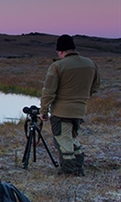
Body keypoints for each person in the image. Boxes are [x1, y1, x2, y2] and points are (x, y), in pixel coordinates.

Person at [39, 34, 100, 176]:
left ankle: (69, 172)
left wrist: (43, 110)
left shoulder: (57, 66)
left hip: (62, 112)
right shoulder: (90, 64)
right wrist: (82, 97)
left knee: (63, 140)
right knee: (72, 138)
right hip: (80, 110)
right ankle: (78, 166)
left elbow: (48, 91)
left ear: (60, 51)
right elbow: (95, 86)